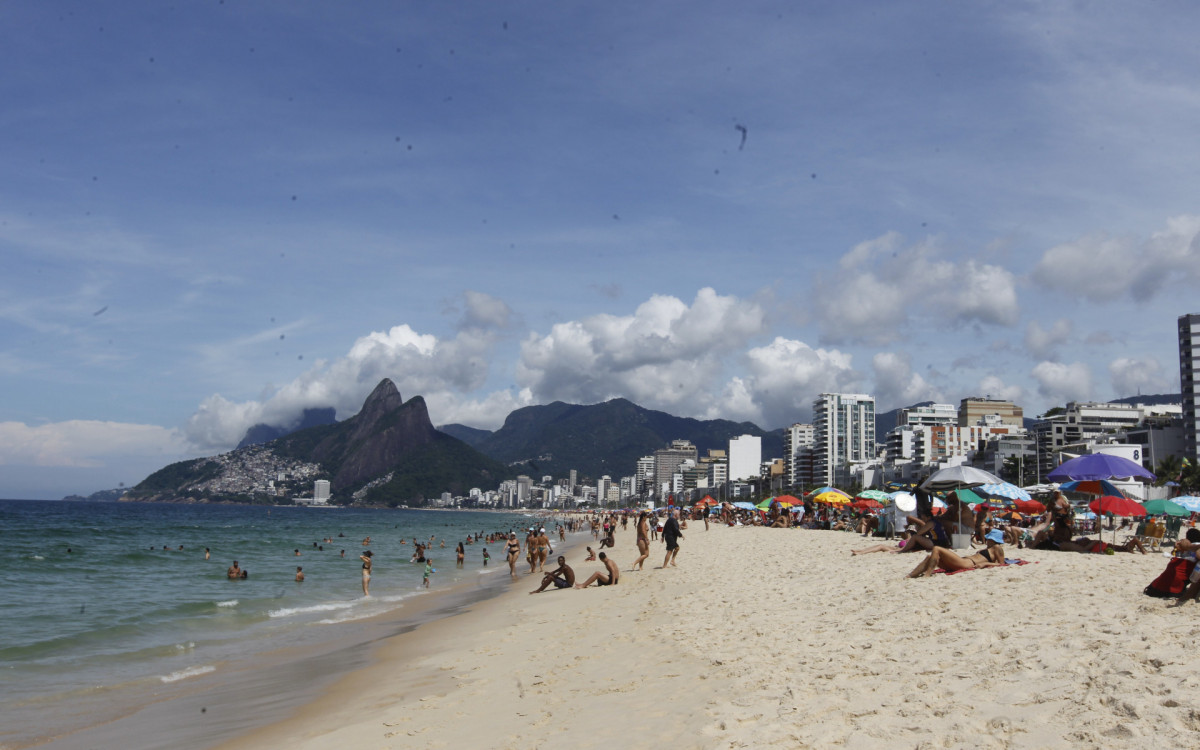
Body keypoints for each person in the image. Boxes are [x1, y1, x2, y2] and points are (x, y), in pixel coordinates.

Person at [908, 529, 1007, 578]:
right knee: (929, 557)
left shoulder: (997, 548)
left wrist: (985, 564)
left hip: (967, 563)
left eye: (988, 538)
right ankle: (910, 576)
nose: (987, 539)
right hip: (963, 561)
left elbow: (1001, 564)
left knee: (937, 549)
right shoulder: (989, 548)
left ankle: (927, 575)